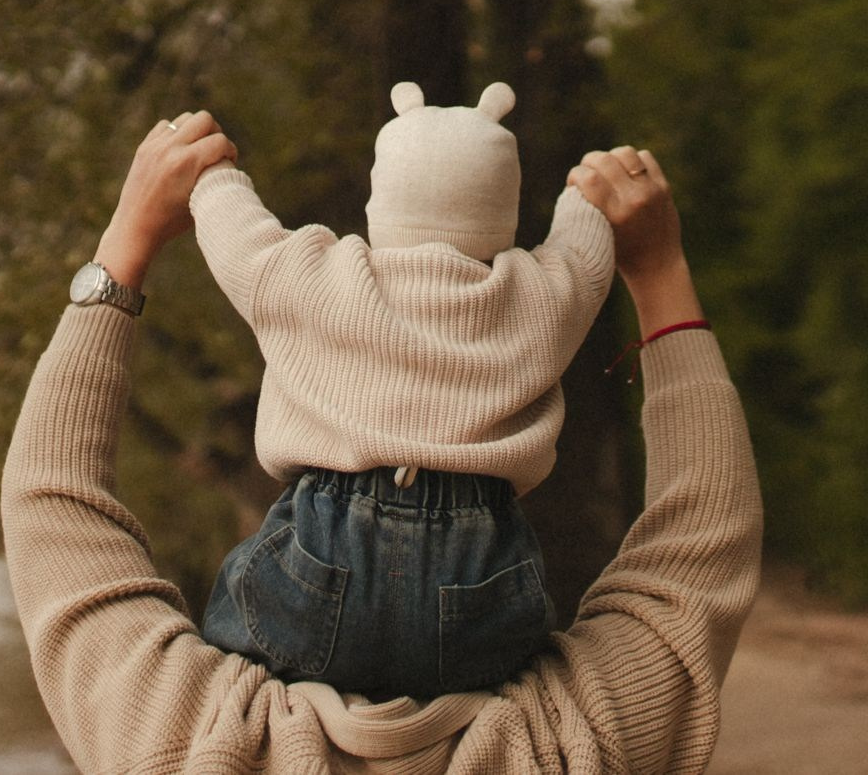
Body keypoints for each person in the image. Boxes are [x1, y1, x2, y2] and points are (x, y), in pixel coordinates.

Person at [1, 109, 763, 775]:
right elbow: (702, 550)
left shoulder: (188, 743)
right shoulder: (571, 745)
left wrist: (129, 240)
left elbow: (52, 510)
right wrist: (659, 272)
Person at [183, 80, 617, 697]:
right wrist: (587, 195)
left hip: (323, 541)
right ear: (507, 207)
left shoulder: (319, 279)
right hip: (481, 568)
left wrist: (213, 174)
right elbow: (587, 261)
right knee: (503, 660)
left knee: (235, 635)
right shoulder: (537, 298)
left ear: (380, 197)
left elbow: (239, 240)